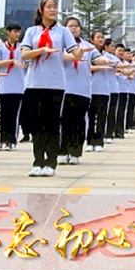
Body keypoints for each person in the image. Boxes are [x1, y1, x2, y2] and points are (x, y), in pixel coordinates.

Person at [20, 0, 84, 176]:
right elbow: (24, 55)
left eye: (55, 7)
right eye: (49, 7)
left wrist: (80, 52)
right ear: (41, 10)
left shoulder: (63, 32)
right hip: (34, 83)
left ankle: (51, 162)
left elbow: (74, 53)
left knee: (52, 123)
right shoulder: (32, 31)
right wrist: (41, 50)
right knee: (37, 124)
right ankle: (37, 161)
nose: (52, 10)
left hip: (55, 84)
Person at [59, 17, 93, 165]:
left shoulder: (87, 46)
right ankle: (63, 151)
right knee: (64, 122)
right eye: (70, 26)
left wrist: (111, 63)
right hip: (64, 89)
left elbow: (98, 59)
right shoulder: (60, 46)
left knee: (78, 123)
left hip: (82, 89)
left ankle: (75, 152)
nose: (73, 29)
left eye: (76, 26)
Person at [0, 23, 25, 152]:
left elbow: (27, 62)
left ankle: (12, 140)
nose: (17, 34)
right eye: (14, 31)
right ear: (8, 32)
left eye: (18, 32)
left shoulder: (22, 48)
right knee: (4, 114)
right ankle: (3, 140)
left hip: (19, 86)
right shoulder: (0, 47)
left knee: (14, 115)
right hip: (5, 85)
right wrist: (11, 61)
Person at [85, 29, 112, 154]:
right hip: (90, 89)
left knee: (101, 117)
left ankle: (99, 141)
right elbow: (86, 67)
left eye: (102, 37)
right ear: (92, 40)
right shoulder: (88, 53)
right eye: (98, 37)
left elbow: (116, 65)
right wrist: (101, 66)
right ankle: (90, 141)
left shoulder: (107, 55)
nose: (101, 40)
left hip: (103, 90)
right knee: (90, 117)